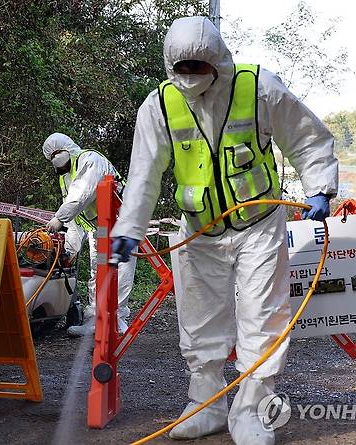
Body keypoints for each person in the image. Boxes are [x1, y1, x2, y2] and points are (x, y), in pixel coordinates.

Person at [109, 17, 338, 445]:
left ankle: (253, 408)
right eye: (183, 69)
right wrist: (130, 228)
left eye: (199, 67)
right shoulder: (158, 106)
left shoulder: (259, 88)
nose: (191, 76)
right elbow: (143, 174)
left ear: (219, 62)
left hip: (259, 227)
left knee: (262, 318)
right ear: (169, 66)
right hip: (198, 231)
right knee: (198, 322)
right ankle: (206, 403)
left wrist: (320, 187)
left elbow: (307, 138)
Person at [43, 132, 137, 337]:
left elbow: (80, 195)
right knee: (98, 271)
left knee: (121, 270)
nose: (55, 161)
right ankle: (95, 320)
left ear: (67, 148)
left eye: (55, 154)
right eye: (51, 158)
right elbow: (77, 216)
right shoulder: (66, 177)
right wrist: (71, 248)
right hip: (101, 228)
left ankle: (116, 319)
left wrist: (59, 217)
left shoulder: (90, 160)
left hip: (123, 223)